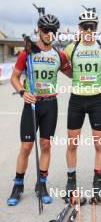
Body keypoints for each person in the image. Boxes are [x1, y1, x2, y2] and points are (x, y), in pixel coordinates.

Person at [7, 14, 71, 206]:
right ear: (39, 30)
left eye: (53, 31)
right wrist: (22, 92)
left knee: (45, 146)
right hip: (32, 104)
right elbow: (14, 78)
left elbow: (72, 73)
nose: (49, 34)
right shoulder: (26, 53)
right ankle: (18, 185)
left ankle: (41, 184)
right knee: (26, 147)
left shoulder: (58, 55)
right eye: (45, 30)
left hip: (50, 104)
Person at [64, 7, 101, 200]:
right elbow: (62, 67)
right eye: (85, 27)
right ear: (79, 27)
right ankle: (71, 181)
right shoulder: (71, 48)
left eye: (91, 27)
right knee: (72, 144)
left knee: (99, 144)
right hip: (76, 100)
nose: (88, 31)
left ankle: (97, 183)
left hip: (96, 101)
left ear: (96, 27)